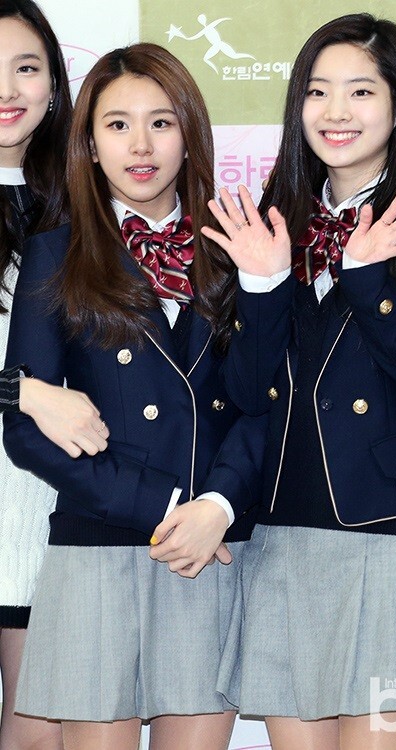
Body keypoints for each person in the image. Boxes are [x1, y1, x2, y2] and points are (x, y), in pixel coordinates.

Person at [202, 13, 396, 750]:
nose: (336, 111)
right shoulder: (271, 228)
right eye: (318, 91)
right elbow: (246, 394)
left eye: (361, 91)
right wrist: (262, 287)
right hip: (288, 538)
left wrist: (368, 283)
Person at [3, 42, 265, 750]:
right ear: (89, 143)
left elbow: (267, 401)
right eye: (117, 125)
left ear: (190, 133)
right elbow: (25, 427)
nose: (141, 145)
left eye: (161, 122)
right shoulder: (55, 253)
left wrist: (217, 506)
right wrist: (165, 507)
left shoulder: (239, 247)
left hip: (210, 549)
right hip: (100, 543)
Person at [0, 2, 109, 748]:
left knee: (36, 728)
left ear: (53, 84)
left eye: (26, 68)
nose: (8, 90)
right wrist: (25, 392)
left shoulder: (83, 207)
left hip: (40, 503)